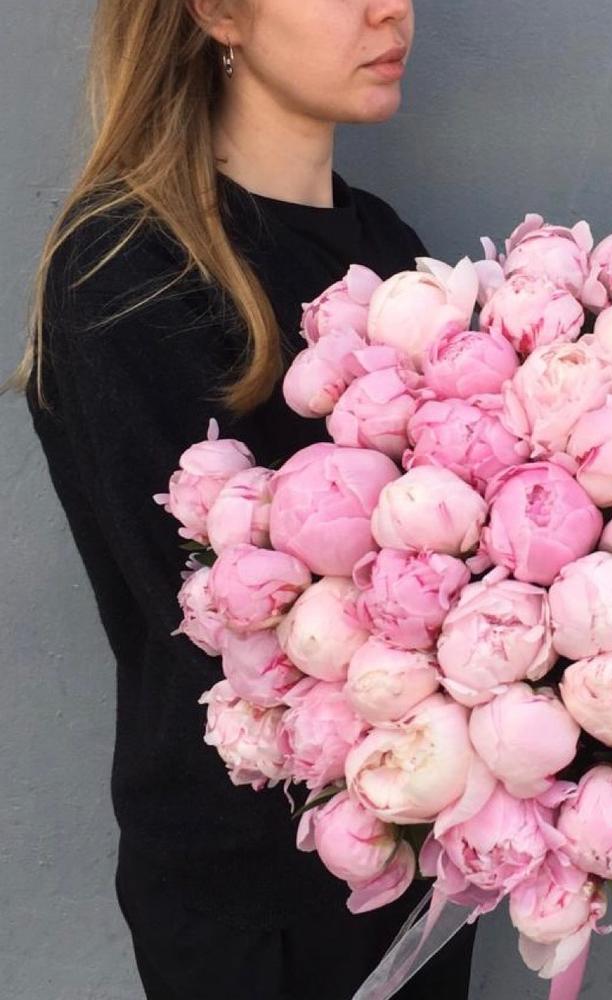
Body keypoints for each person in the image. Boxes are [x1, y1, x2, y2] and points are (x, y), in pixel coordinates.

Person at [4, 1, 476, 997]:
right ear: (219, 11)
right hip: (250, 899)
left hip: (415, 854)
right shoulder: (127, 269)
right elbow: (228, 620)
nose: (392, 9)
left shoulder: (390, 249)